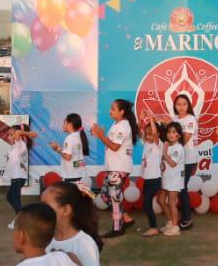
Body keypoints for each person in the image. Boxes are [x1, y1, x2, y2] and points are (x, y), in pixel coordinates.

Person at [88, 99, 137, 238]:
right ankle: (126, 219)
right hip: (113, 167)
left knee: (114, 197)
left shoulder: (123, 125)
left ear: (122, 112)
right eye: (111, 108)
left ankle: (117, 228)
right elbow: (110, 143)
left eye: (113, 108)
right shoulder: (117, 124)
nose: (110, 111)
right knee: (105, 196)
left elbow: (115, 146)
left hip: (119, 167)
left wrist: (101, 135)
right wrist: (100, 134)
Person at [173, 93, 199, 229]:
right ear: (174, 106)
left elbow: (184, 139)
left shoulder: (190, 119)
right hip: (176, 160)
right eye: (178, 104)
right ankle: (179, 218)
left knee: (182, 188)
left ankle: (187, 219)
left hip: (188, 160)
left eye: (184, 104)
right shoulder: (174, 119)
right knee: (179, 188)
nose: (181, 107)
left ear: (188, 105)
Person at [138, 119, 165, 237]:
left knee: (147, 204)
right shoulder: (147, 144)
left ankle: (153, 228)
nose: (148, 136)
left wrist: (152, 121)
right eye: (146, 134)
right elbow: (139, 132)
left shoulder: (158, 145)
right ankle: (153, 226)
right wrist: (140, 121)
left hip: (155, 179)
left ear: (157, 134)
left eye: (150, 134)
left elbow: (154, 134)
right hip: (147, 179)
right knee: (146, 204)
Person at [158, 121, 185, 236]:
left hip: (175, 181)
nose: (170, 134)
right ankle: (170, 222)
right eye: (169, 132)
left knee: (172, 203)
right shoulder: (169, 146)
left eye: (174, 132)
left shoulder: (178, 148)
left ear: (178, 135)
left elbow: (172, 163)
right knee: (161, 200)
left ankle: (175, 227)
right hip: (166, 179)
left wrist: (164, 151)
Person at [57, 114, 90, 191]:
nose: (63, 125)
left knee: (70, 200)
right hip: (80, 174)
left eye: (64, 122)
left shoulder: (70, 138)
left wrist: (59, 150)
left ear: (70, 124)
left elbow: (68, 157)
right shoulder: (78, 136)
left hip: (71, 176)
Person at [4, 124, 31, 218]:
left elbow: (18, 133)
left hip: (18, 178)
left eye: (11, 135)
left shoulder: (20, 144)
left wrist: (28, 133)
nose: (8, 137)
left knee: (12, 198)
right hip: (16, 177)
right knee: (14, 198)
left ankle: (21, 219)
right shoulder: (15, 146)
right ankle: (20, 218)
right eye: (8, 135)